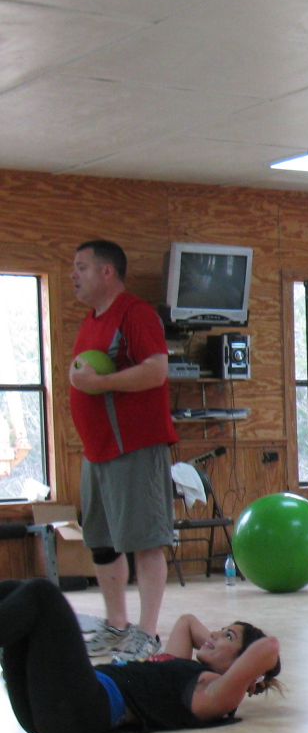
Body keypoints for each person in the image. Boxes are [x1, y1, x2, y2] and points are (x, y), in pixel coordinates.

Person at [68, 240, 179, 661]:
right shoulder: (89, 320)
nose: (74, 275)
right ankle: (116, 625)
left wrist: (99, 384)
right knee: (101, 542)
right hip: (96, 452)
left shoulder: (135, 313)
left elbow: (156, 371)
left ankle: (146, 634)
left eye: (81, 267)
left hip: (134, 446)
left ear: (107, 272)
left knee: (145, 541)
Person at [0, 577, 281, 733]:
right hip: (45, 716)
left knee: (42, 593)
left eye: (228, 636)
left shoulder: (214, 692)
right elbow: (187, 622)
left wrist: (246, 678)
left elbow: (269, 647)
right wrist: (216, 644)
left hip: (79, 708)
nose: (216, 633)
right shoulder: (183, 667)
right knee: (12, 590)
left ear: (240, 666)